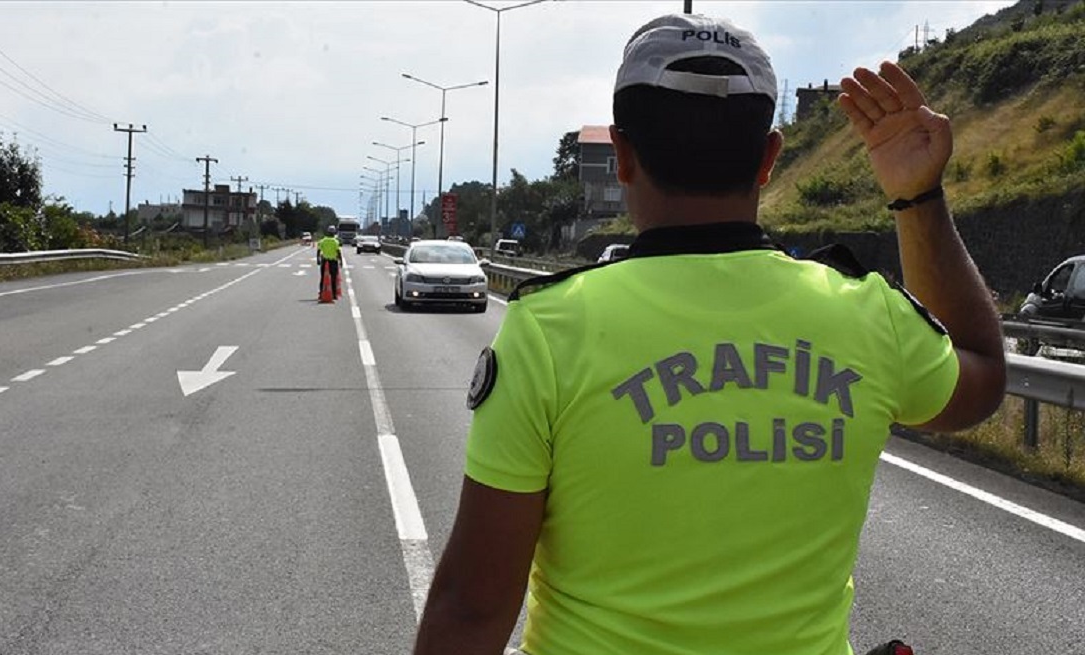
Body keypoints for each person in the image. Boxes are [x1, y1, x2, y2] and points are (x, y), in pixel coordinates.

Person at [414, 13, 1005, 655]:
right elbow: (980, 375)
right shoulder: (868, 317)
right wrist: (918, 197)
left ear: (622, 155)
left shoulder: (548, 332)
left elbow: (473, 610)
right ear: (770, 158)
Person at [316, 225, 343, 297]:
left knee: (323, 278)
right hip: (333, 262)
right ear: (334, 233)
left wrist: (318, 259)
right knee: (333, 278)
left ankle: (321, 293)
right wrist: (341, 261)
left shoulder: (323, 241)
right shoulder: (335, 241)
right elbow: (338, 252)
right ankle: (334, 294)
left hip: (324, 261)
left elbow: (319, 250)